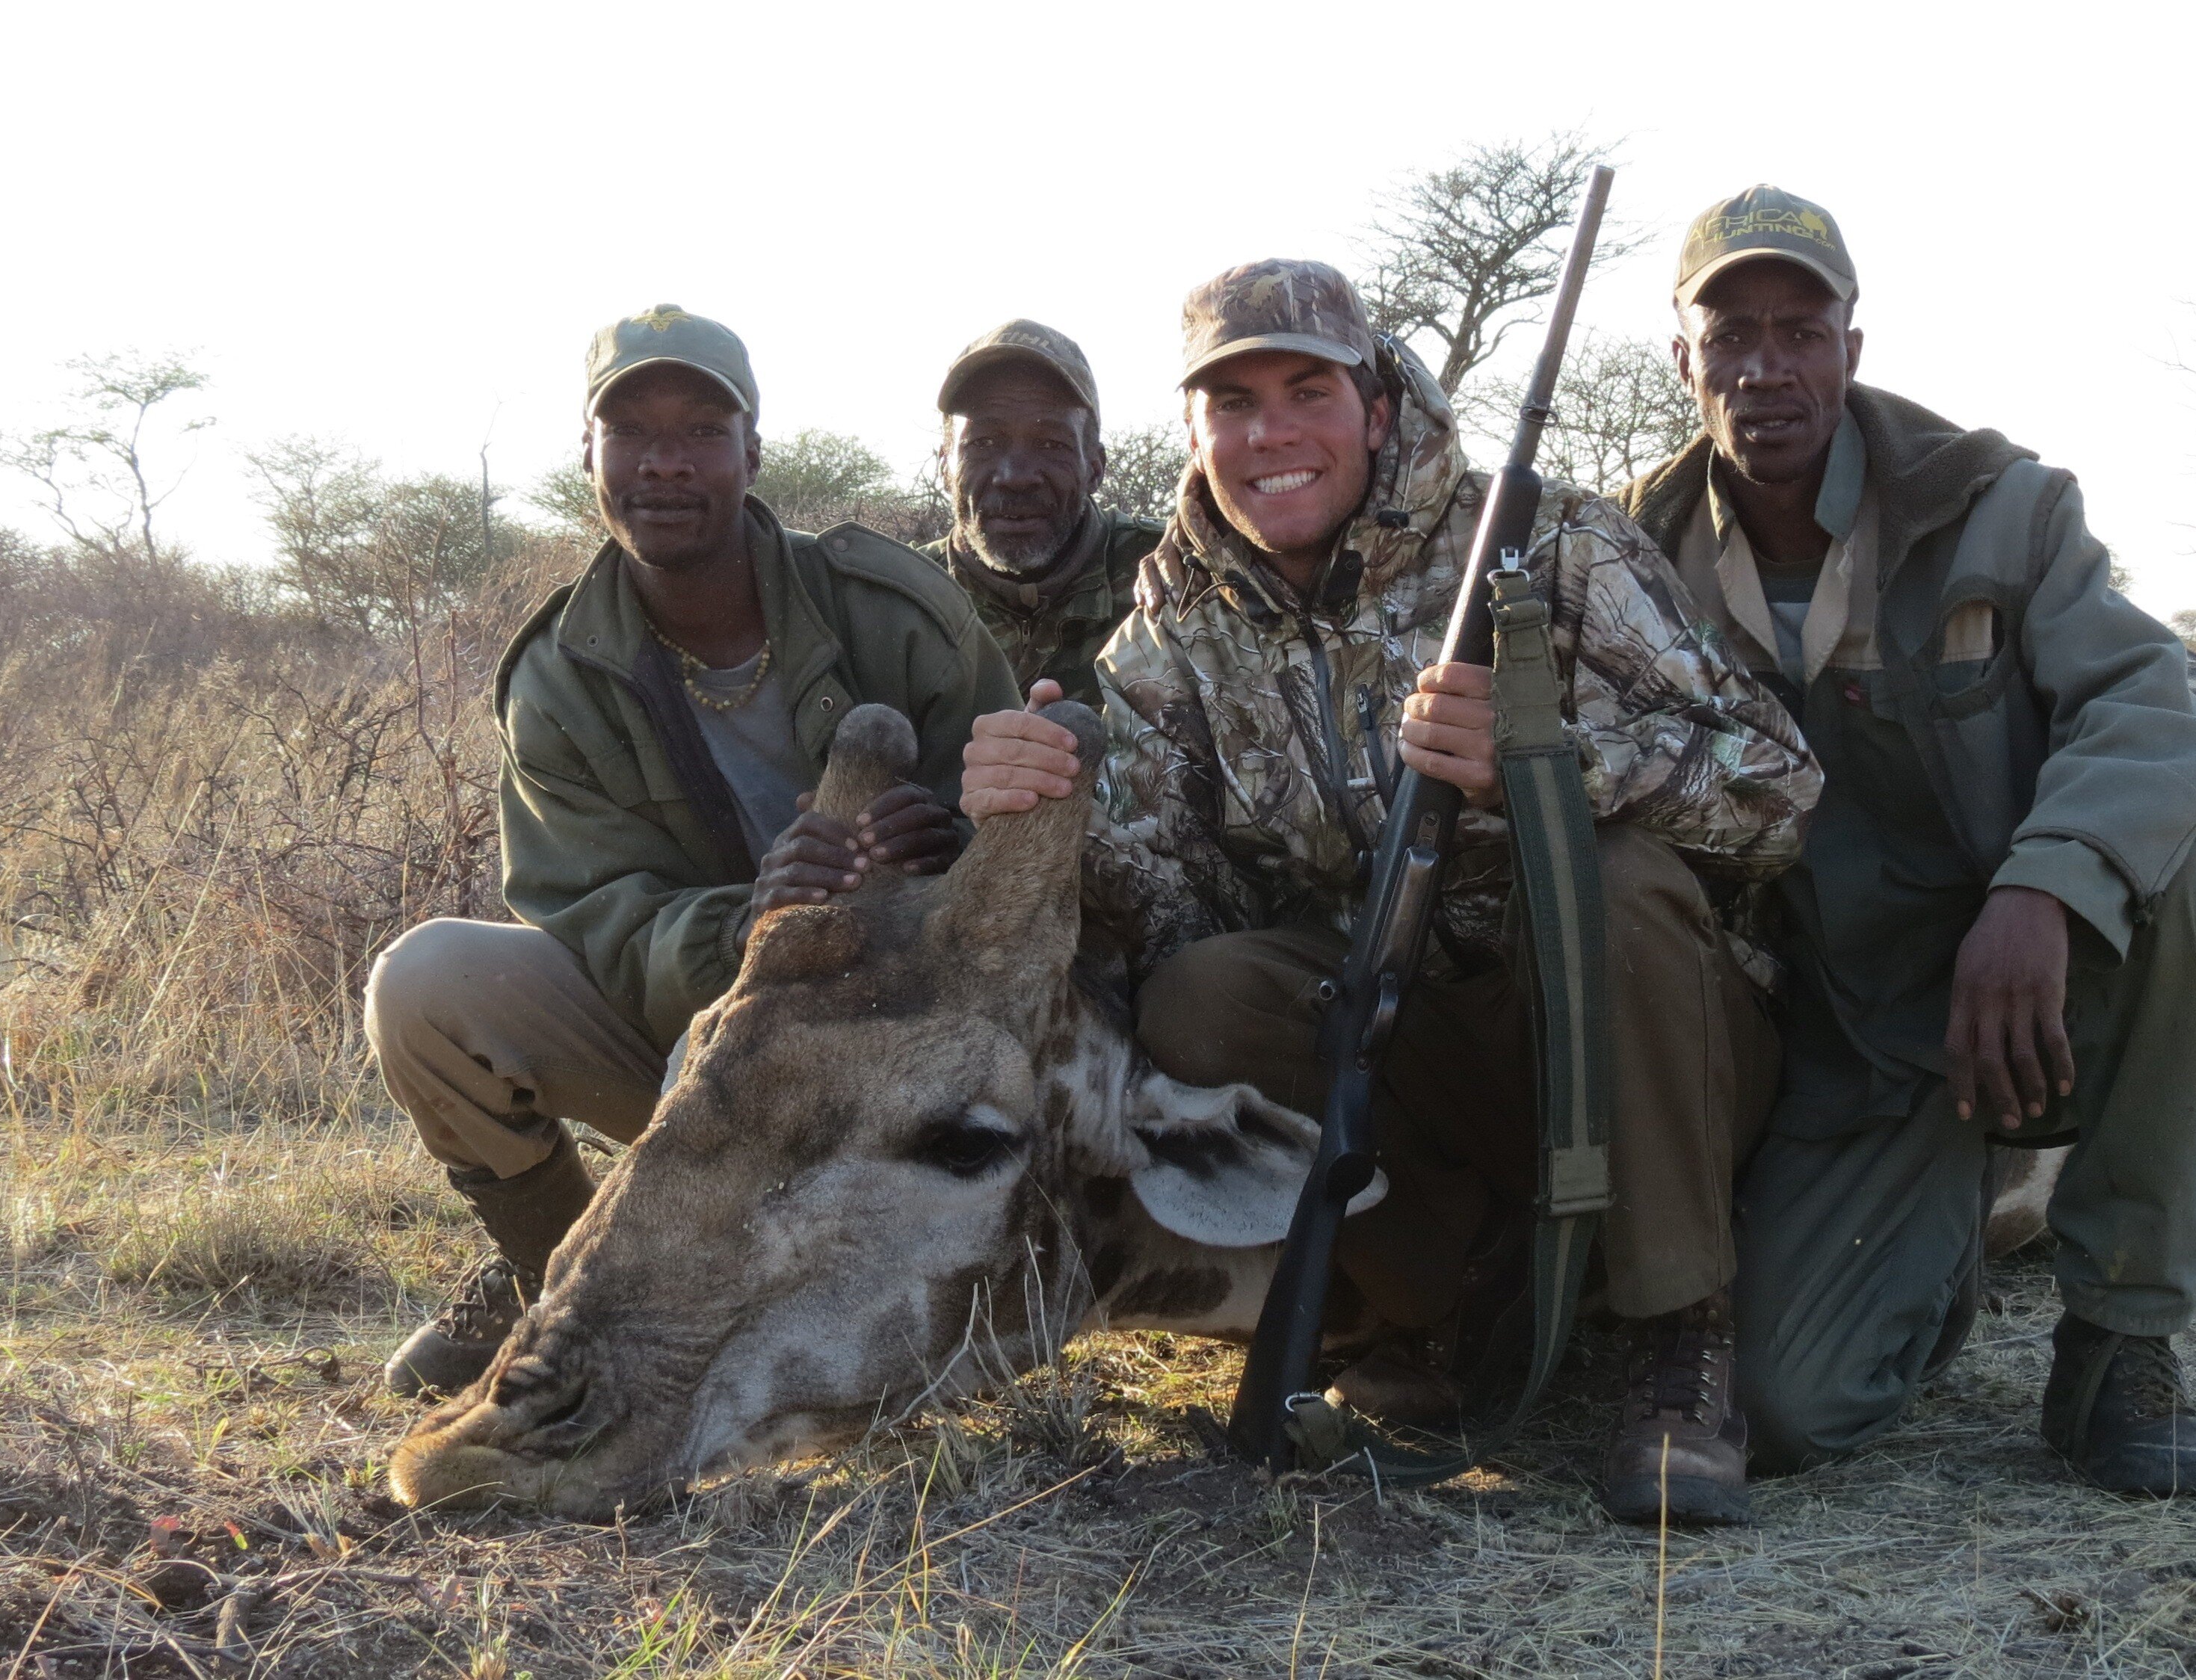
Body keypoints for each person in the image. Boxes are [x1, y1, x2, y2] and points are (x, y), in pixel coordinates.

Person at [963, 259, 1819, 1525]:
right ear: (1196, 426)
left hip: (1637, 1036)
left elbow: (1780, 786)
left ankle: (1678, 1334)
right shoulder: (1167, 626)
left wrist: (1551, 770)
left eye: (1306, 389)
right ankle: (1446, 1302)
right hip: (1406, 1043)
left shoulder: (1556, 543)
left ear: (1373, 403)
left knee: (1622, 883)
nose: (1273, 434)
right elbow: (1177, 910)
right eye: (1235, 402)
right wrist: (1057, 817)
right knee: (1205, 998)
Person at [1615, 188, 2196, 1497]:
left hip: (2030, 972)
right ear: (1684, 358)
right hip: (1842, 1030)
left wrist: (2044, 893)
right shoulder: (1628, 550)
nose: (1765, 367)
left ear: (1853, 344)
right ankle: (1925, 1237)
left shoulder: (2001, 507)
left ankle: (2122, 1338)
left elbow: (2152, 709)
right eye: (1730, 334)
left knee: (2183, 874)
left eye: (1801, 329)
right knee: (1787, 1408)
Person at [367, 305, 1020, 1398]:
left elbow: (1026, 824)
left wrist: (948, 857)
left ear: (752, 452)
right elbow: (597, 918)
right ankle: (567, 1280)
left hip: (909, 1048)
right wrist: (749, 923)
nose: (664, 463)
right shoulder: (557, 675)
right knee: (428, 984)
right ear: (589, 457)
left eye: (700, 431)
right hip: (705, 1045)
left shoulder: (895, 611)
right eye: (631, 434)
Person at [919, 321, 1163, 707]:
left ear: (1095, 468)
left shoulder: (1176, 574)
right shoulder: (902, 598)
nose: (1015, 478)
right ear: (945, 466)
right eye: (982, 443)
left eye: (1051, 443)